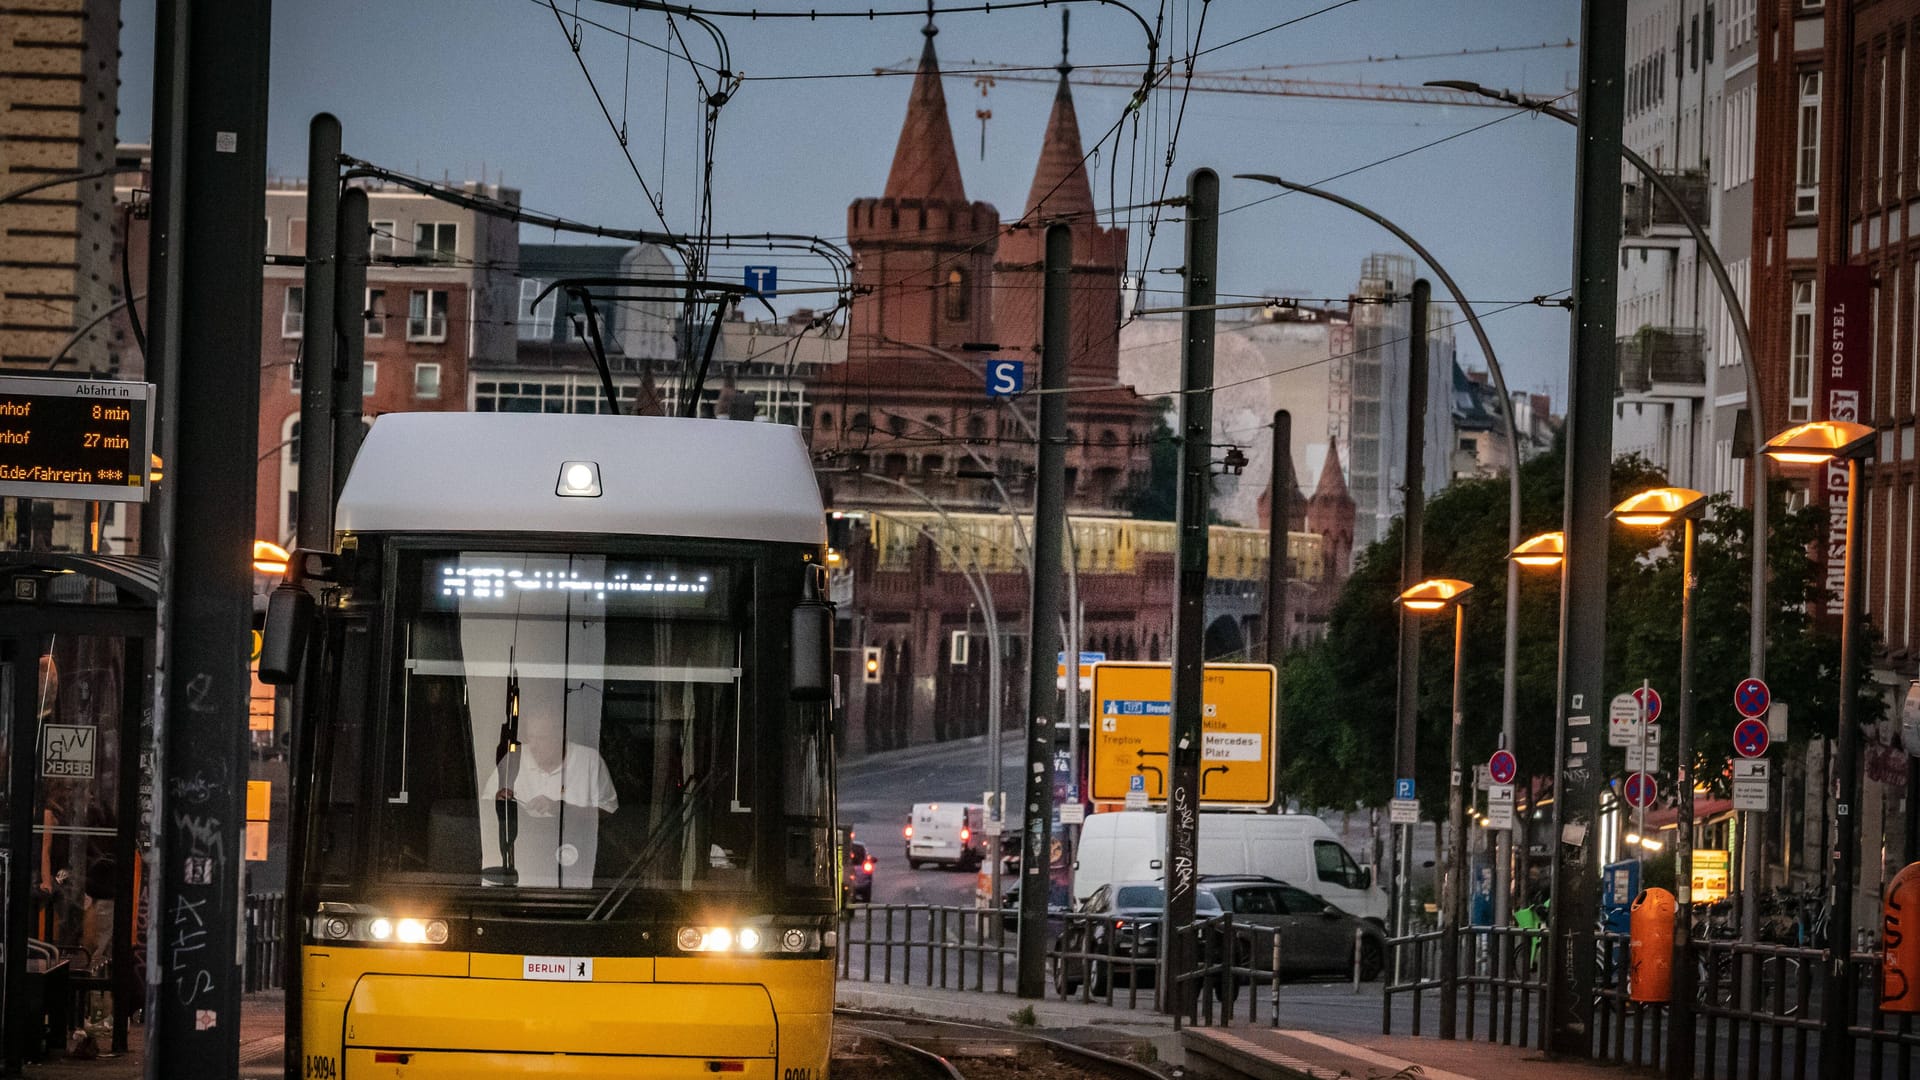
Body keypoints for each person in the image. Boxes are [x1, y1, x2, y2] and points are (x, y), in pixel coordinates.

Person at [491, 696, 618, 889]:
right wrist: (500, 800)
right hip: (522, 862)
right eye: (531, 737)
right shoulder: (513, 760)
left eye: (542, 738)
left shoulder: (589, 761)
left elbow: (610, 814)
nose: (534, 745)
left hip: (578, 864)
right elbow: (485, 812)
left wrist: (562, 809)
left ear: (562, 734)